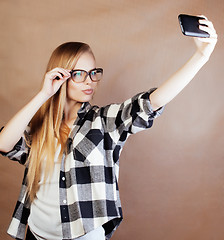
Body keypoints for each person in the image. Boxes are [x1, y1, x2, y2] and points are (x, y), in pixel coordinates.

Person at [0, 15, 217, 240]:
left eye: (94, 73)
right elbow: (4, 144)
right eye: (79, 74)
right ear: (60, 76)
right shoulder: (41, 130)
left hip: (85, 236)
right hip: (36, 234)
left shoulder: (105, 122)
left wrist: (201, 56)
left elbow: (153, 101)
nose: (89, 81)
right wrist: (44, 94)